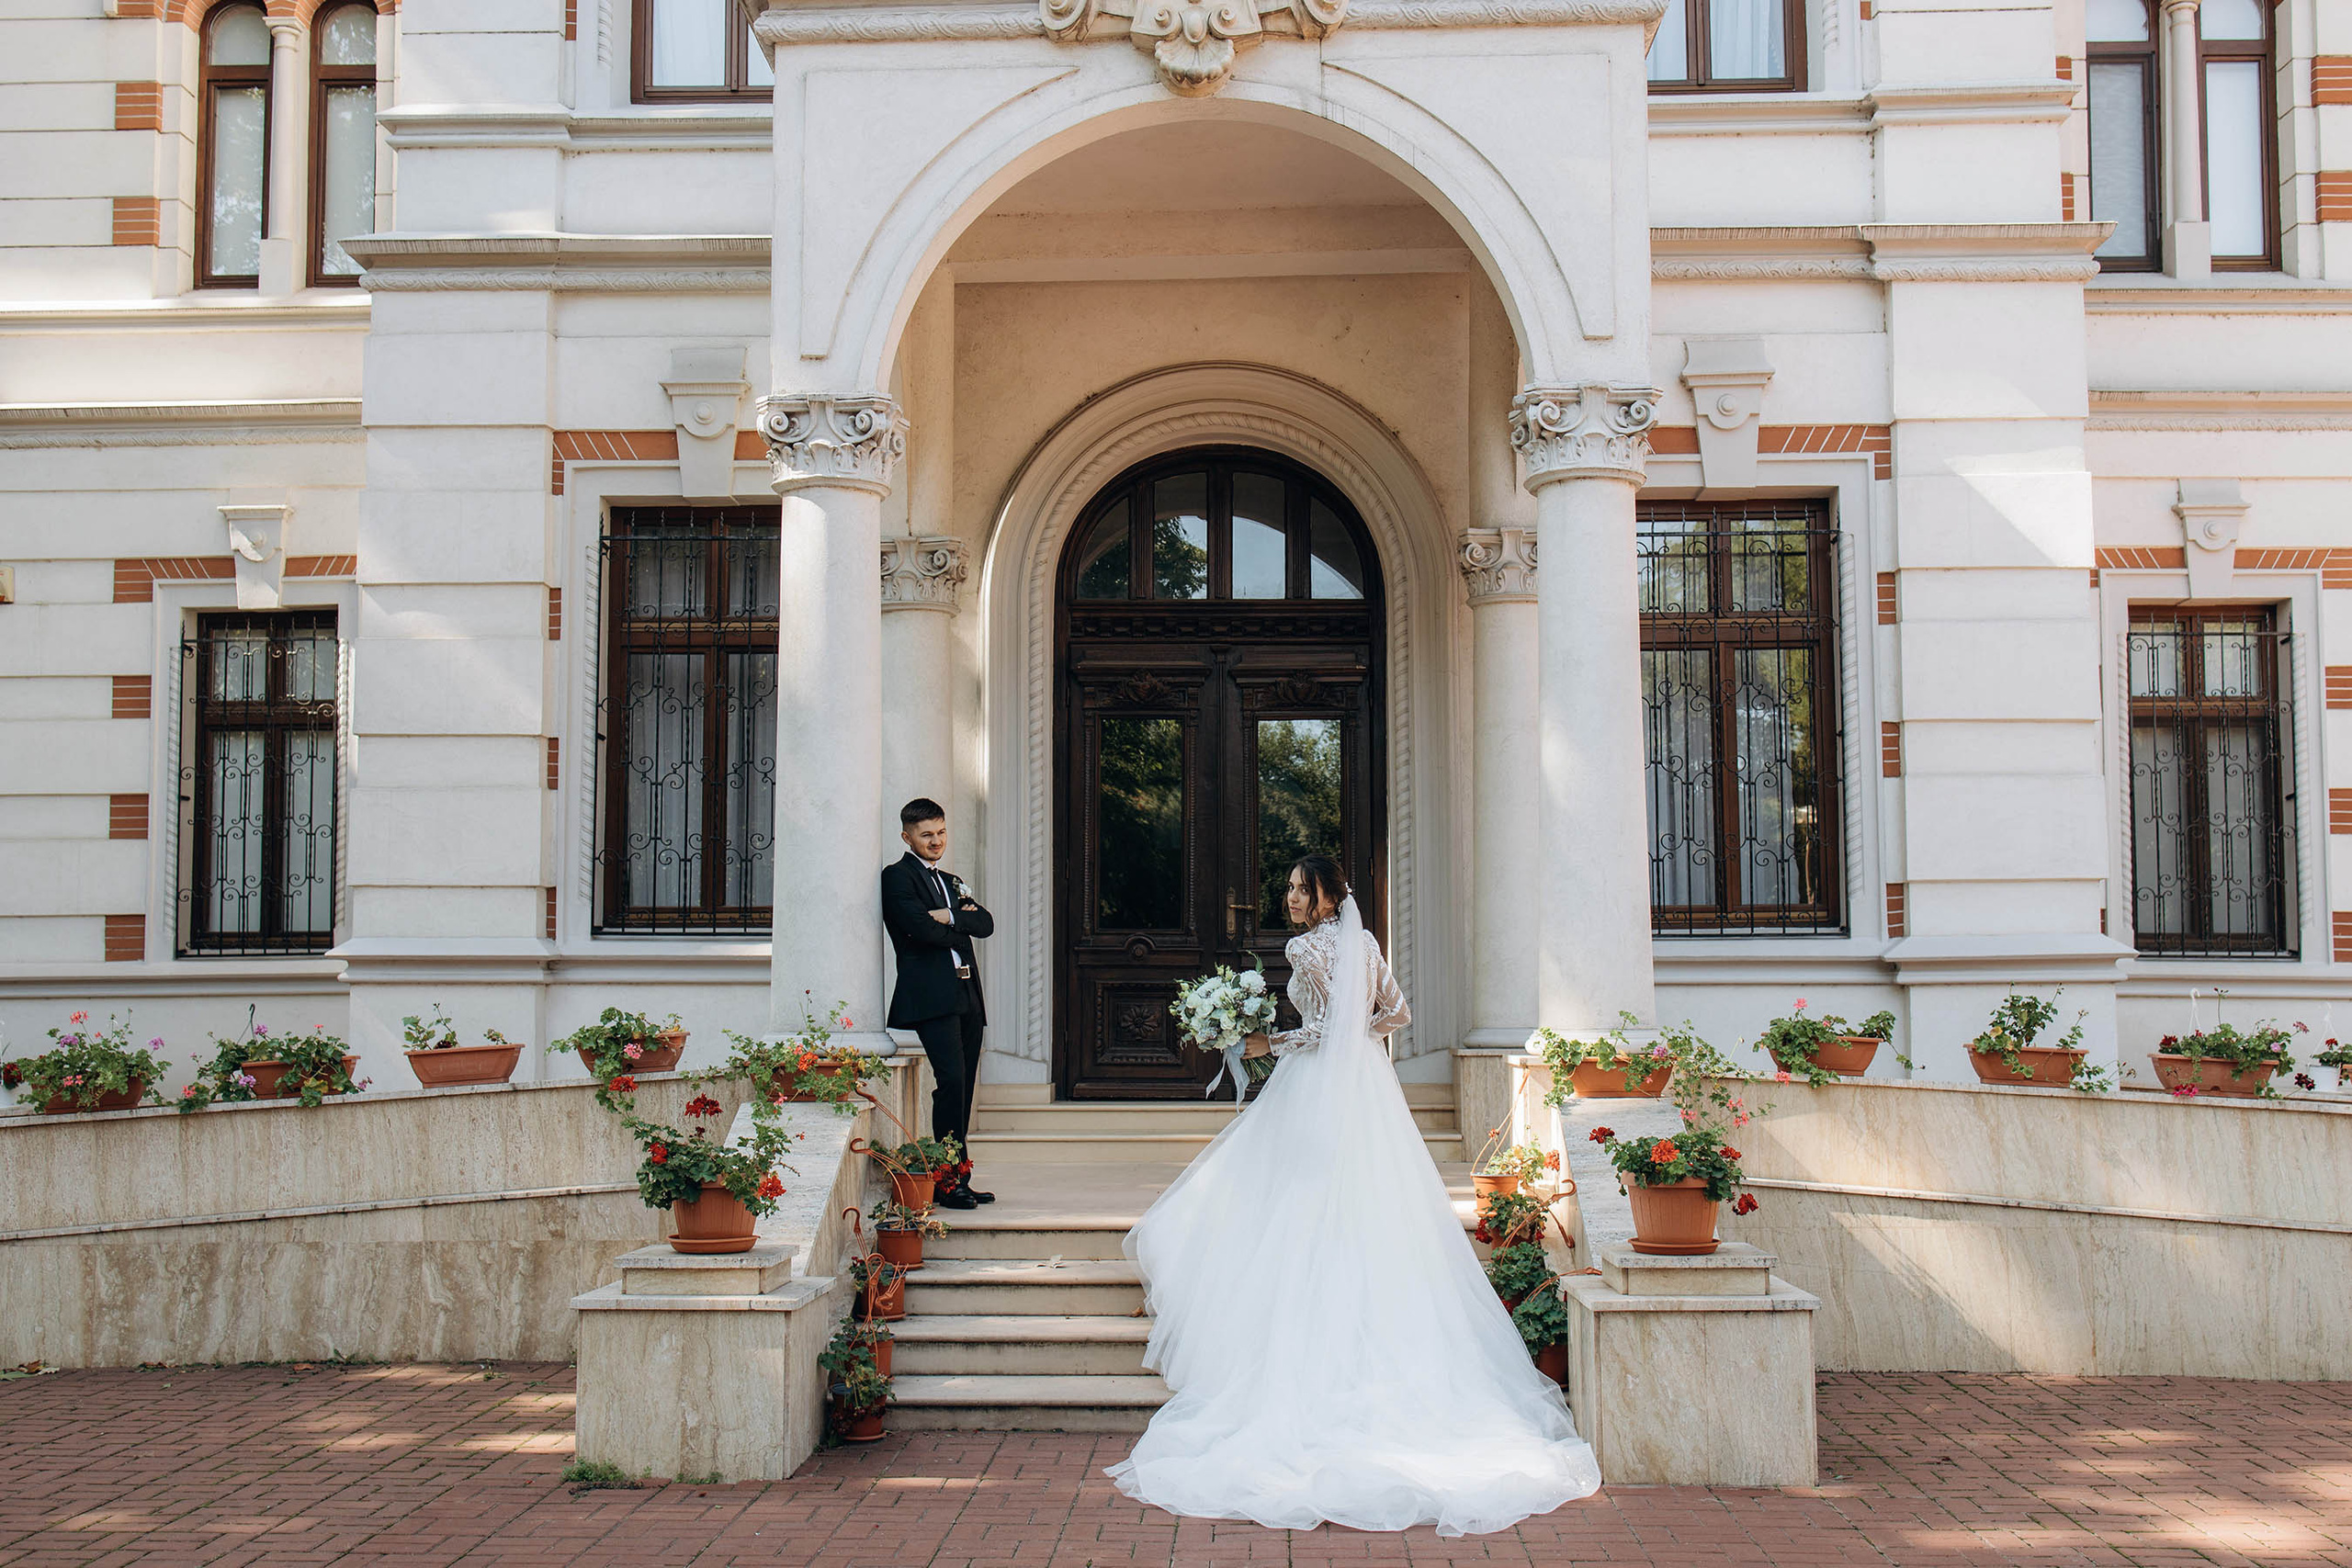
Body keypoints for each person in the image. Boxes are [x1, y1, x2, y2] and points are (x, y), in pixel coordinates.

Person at [1108, 853, 1601, 1535]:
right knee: (1372, 1204)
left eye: (1300, 889)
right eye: (1288, 888)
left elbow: (1323, 1027)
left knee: (1294, 1199)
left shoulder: (1304, 949)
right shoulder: (1365, 942)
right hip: (1367, 1087)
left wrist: (1270, 1040)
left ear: (1326, 896)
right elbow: (1395, 1013)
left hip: (1317, 1085)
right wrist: (1354, 1044)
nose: (1289, 898)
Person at [880, 797, 995, 1209]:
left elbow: (985, 923)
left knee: (963, 1087)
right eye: (926, 834)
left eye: (941, 832)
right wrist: (958, 923)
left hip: (967, 995)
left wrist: (949, 916)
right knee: (950, 1083)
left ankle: (960, 1176)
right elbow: (919, 929)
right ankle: (946, 1183)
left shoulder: (951, 880)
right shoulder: (897, 877)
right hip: (933, 997)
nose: (936, 841)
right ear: (907, 836)